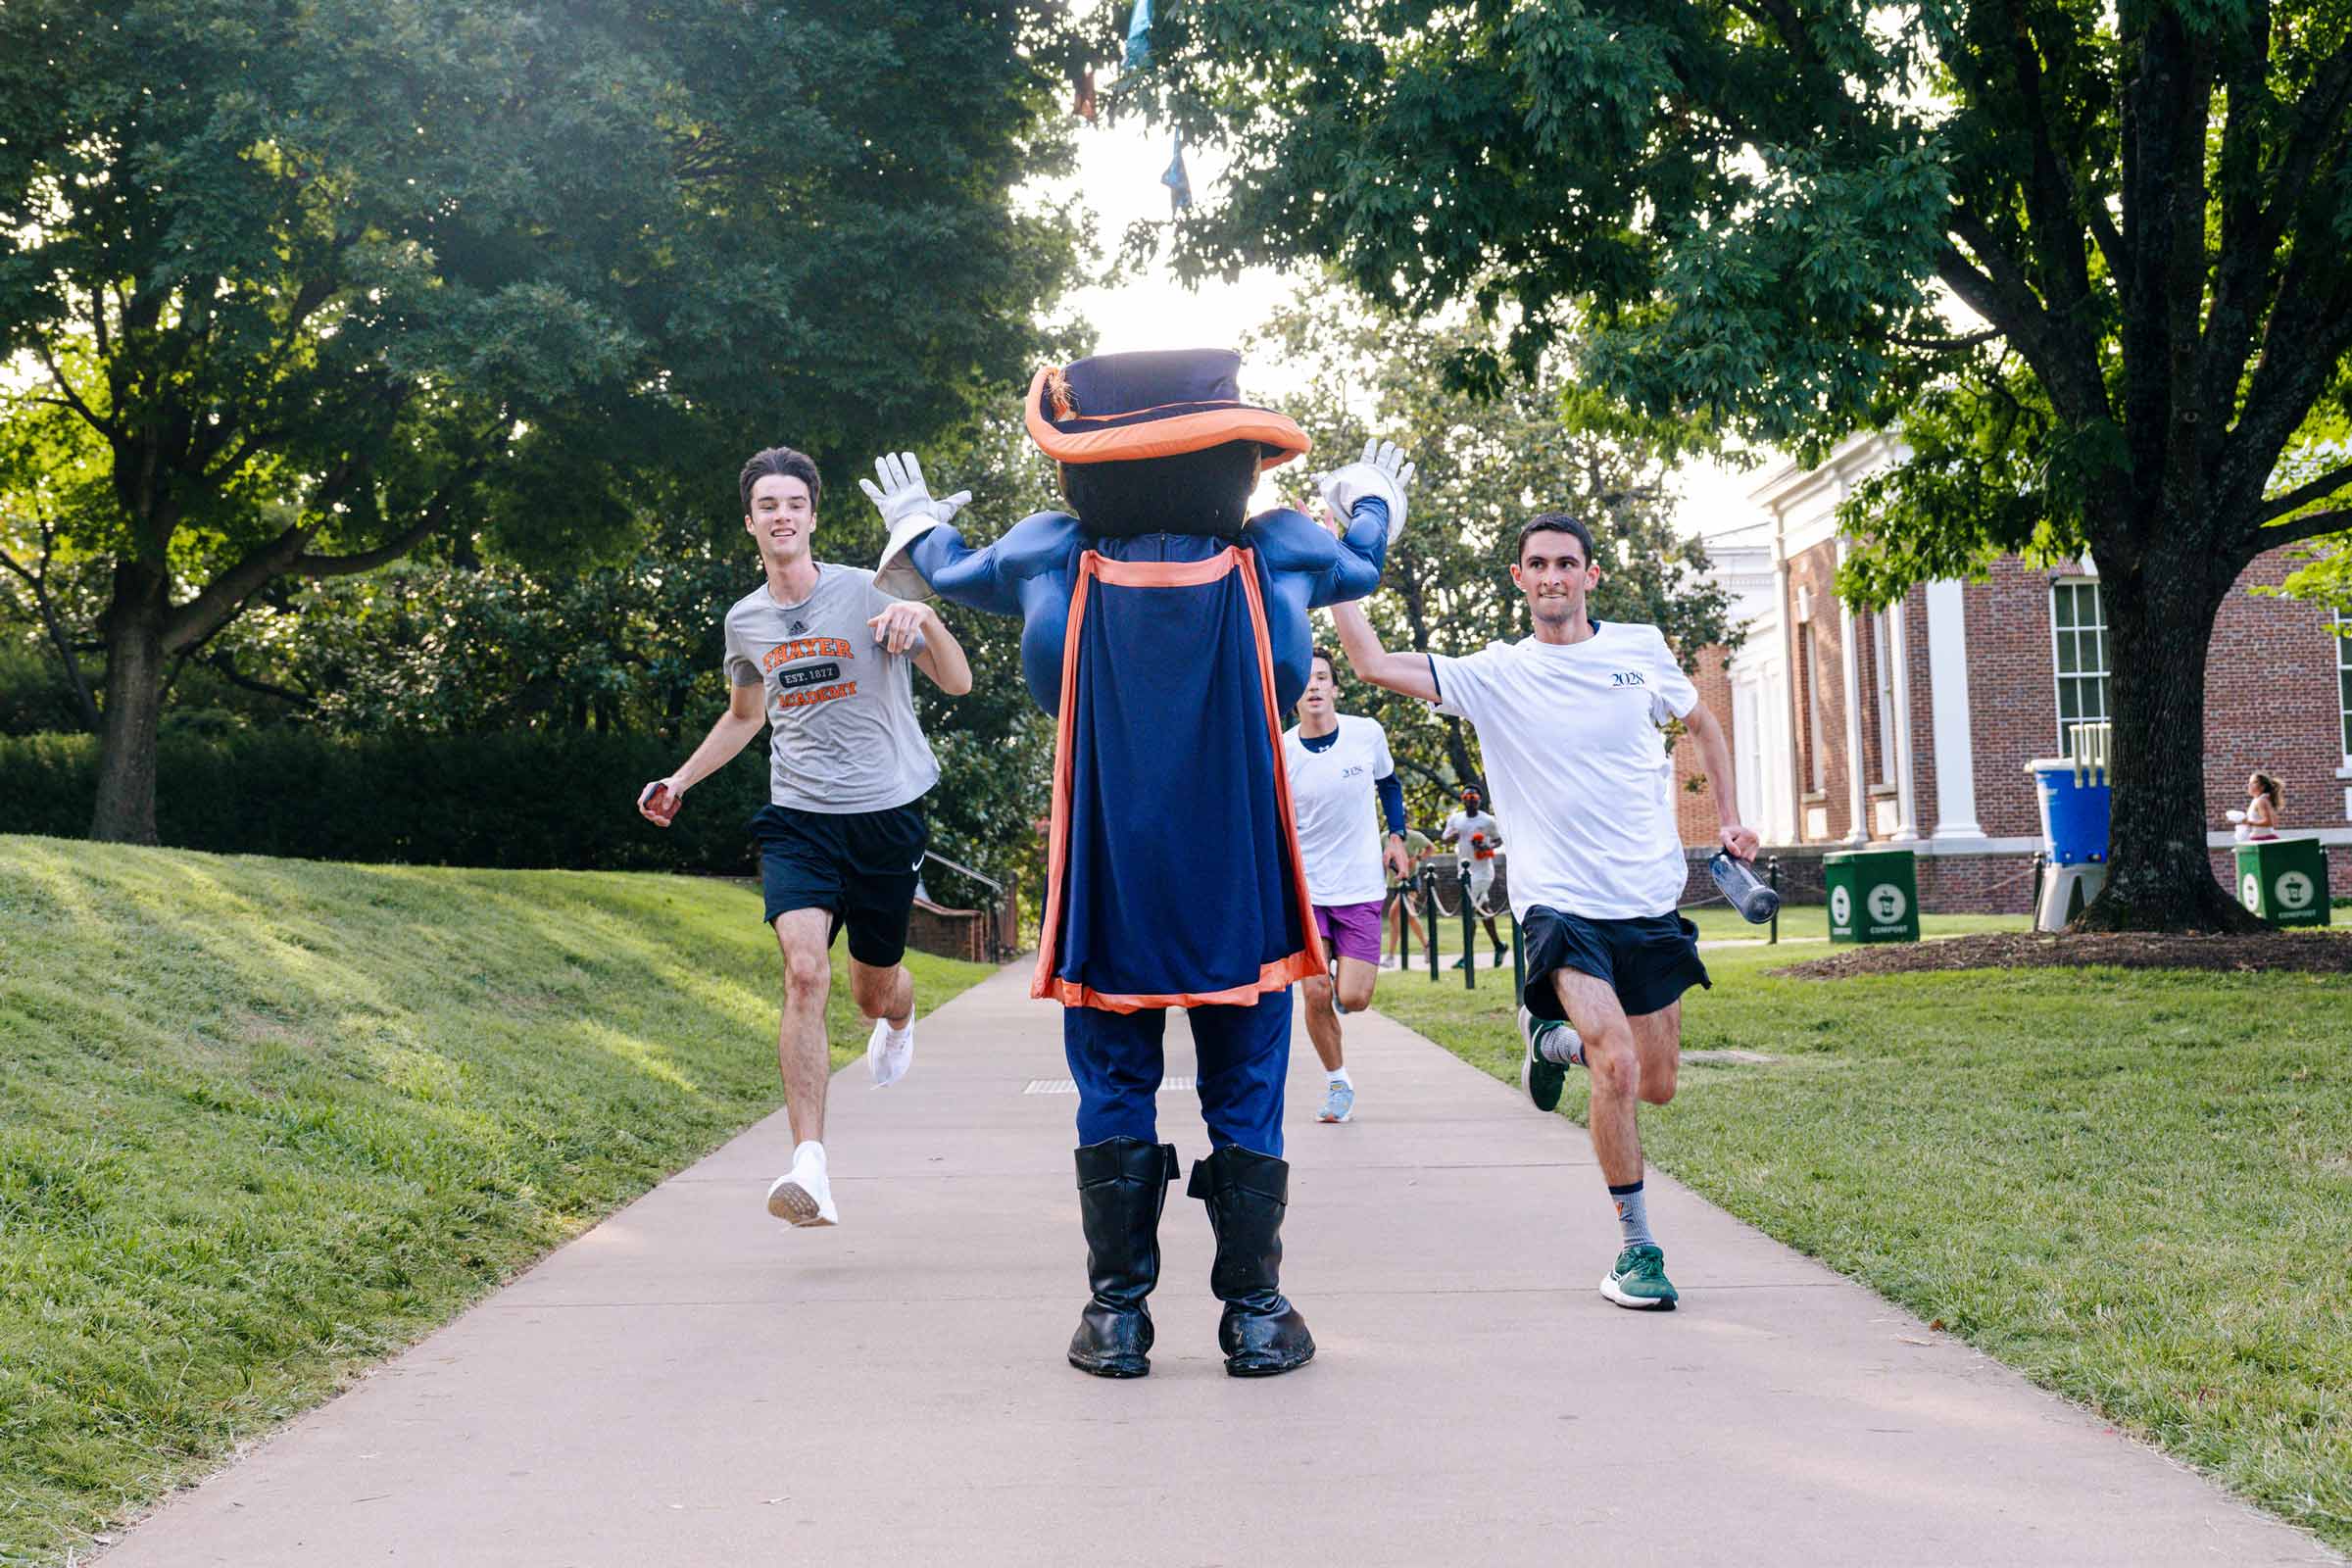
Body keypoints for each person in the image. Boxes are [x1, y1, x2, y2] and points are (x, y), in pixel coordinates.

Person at [861, 352, 1413, 1379]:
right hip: (1239, 871)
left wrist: (916, 524)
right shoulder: (1280, 554)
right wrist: (1371, 497)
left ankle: (1117, 1316)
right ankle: (1254, 1311)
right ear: (1237, 461)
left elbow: (947, 565)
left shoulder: (1050, 558)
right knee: (1245, 1087)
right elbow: (1366, 560)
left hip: (1109, 871)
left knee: (1113, 1084)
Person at [1331, 511, 1755, 1312]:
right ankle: (1637, 1251)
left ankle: (1546, 1042)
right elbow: (1371, 661)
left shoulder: (1642, 649)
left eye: (1568, 562)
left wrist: (1730, 818)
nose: (1554, 575)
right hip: (1561, 905)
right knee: (1618, 1064)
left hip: (1646, 899)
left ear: (1591, 576)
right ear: (1519, 579)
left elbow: (1703, 724)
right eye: (1538, 564)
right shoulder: (1497, 672)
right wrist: (1340, 559)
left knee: (1656, 1083)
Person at [636, 445, 971, 1231]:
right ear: (750, 521)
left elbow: (954, 681)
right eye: (767, 506)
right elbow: (746, 715)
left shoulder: (874, 590)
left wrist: (924, 617)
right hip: (798, 820)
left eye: (794, 503)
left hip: (886, 815)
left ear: (813, 517)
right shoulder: (746, 620)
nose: (781, 515)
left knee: (871, 988)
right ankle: (810, 1167)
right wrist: (680, 780)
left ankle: (898, 1013)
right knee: (803, 972)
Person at [1283, 646, 1411, 1123]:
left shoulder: (1366, 734)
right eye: (1304, 680)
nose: (1313, 686)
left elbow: (1390, 784)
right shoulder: (1283, 749)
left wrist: (1396, 837)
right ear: (1293, 694)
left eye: (1322, 678)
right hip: (1308, 890)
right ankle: (1338, 1082)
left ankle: (1343, 989)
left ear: (1336, 688)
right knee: (1316, 993)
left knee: (1353, 998)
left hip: (1359, 886)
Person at [1440, 786, 1510, 970]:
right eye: (1467, 796)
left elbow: (1500, 839)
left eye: (1474, 797)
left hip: (1483, 871)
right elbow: (1444, 837)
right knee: (1483, 908)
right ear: (1463, 799)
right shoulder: (1456, 819)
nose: (1471, 799)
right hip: (1464, 871)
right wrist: (1452, 836)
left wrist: (1487, 848)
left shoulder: (1487, 820)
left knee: (1469, 909)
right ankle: (1499, 946)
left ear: (1479, 800)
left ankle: (1467, 956)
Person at [1382, 823, 1435, 965]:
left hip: (1410, 881)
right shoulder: (1385, 837)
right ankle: (1427, 946)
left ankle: (1391, 957)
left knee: (1393, 913)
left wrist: (1417, 858)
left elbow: (1431, 848)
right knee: (1409, 917)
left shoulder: (1414, 836)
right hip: (1394, 883)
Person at [2229, 771, 2282, 841]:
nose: (2249, 785)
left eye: (2254, 782)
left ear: (2262, 787)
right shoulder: (2259, 800)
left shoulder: (2261, 801)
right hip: (2258, 839)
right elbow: (2274, 821)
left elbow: (2269, 822)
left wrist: (2247, 822)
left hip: (2264, 840)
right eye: (2249, 782)